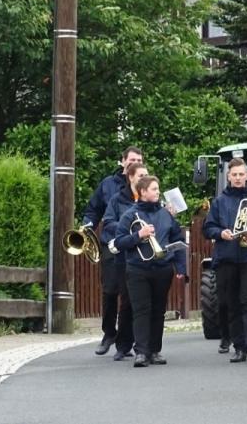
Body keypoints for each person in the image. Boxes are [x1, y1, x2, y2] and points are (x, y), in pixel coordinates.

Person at [113, 175, 187, 367]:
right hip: (137, 269)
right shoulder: (129, 215)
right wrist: (139, 235)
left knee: (158, 311)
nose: (157, 192)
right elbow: (119, 242)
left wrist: (180, 267)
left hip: (162, 269)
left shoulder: (166, 214)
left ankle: (155, 351)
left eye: (157, 188)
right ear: (143, 192)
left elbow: (177, 240)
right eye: (154, 189)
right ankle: (141, 352)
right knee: (141, 310)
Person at [203, 158, 247, 363]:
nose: (239, 178)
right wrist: (220, 233)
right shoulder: (219, 202)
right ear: (229, 177)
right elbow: (207, 228)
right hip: (225, 257)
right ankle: (239, 346)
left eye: (242, 174)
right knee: (230, 302)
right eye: (235, 175)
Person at [82, 146, 143, 356]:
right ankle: (109, 333)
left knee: (131, 295)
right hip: (111, 244)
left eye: (139, 160)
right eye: (131, 159)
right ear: (123, 161)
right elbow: (93, 209)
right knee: (110, 291)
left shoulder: (144, 183)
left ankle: (126, 341)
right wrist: (87, 226)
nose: (134, 163)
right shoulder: (107, 185)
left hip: (134, 247)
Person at [100, 162, 149, 361]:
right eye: (141, 175)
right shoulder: (117, 200)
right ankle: (123, 345)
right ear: (131, 178)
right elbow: (108, 222)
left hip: (145, 256)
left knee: (144, 303)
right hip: (125, 256)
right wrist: (129, 227)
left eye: (147, 174)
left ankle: (145, 346)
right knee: (126, 302)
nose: (144, 177)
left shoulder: (151, 199)